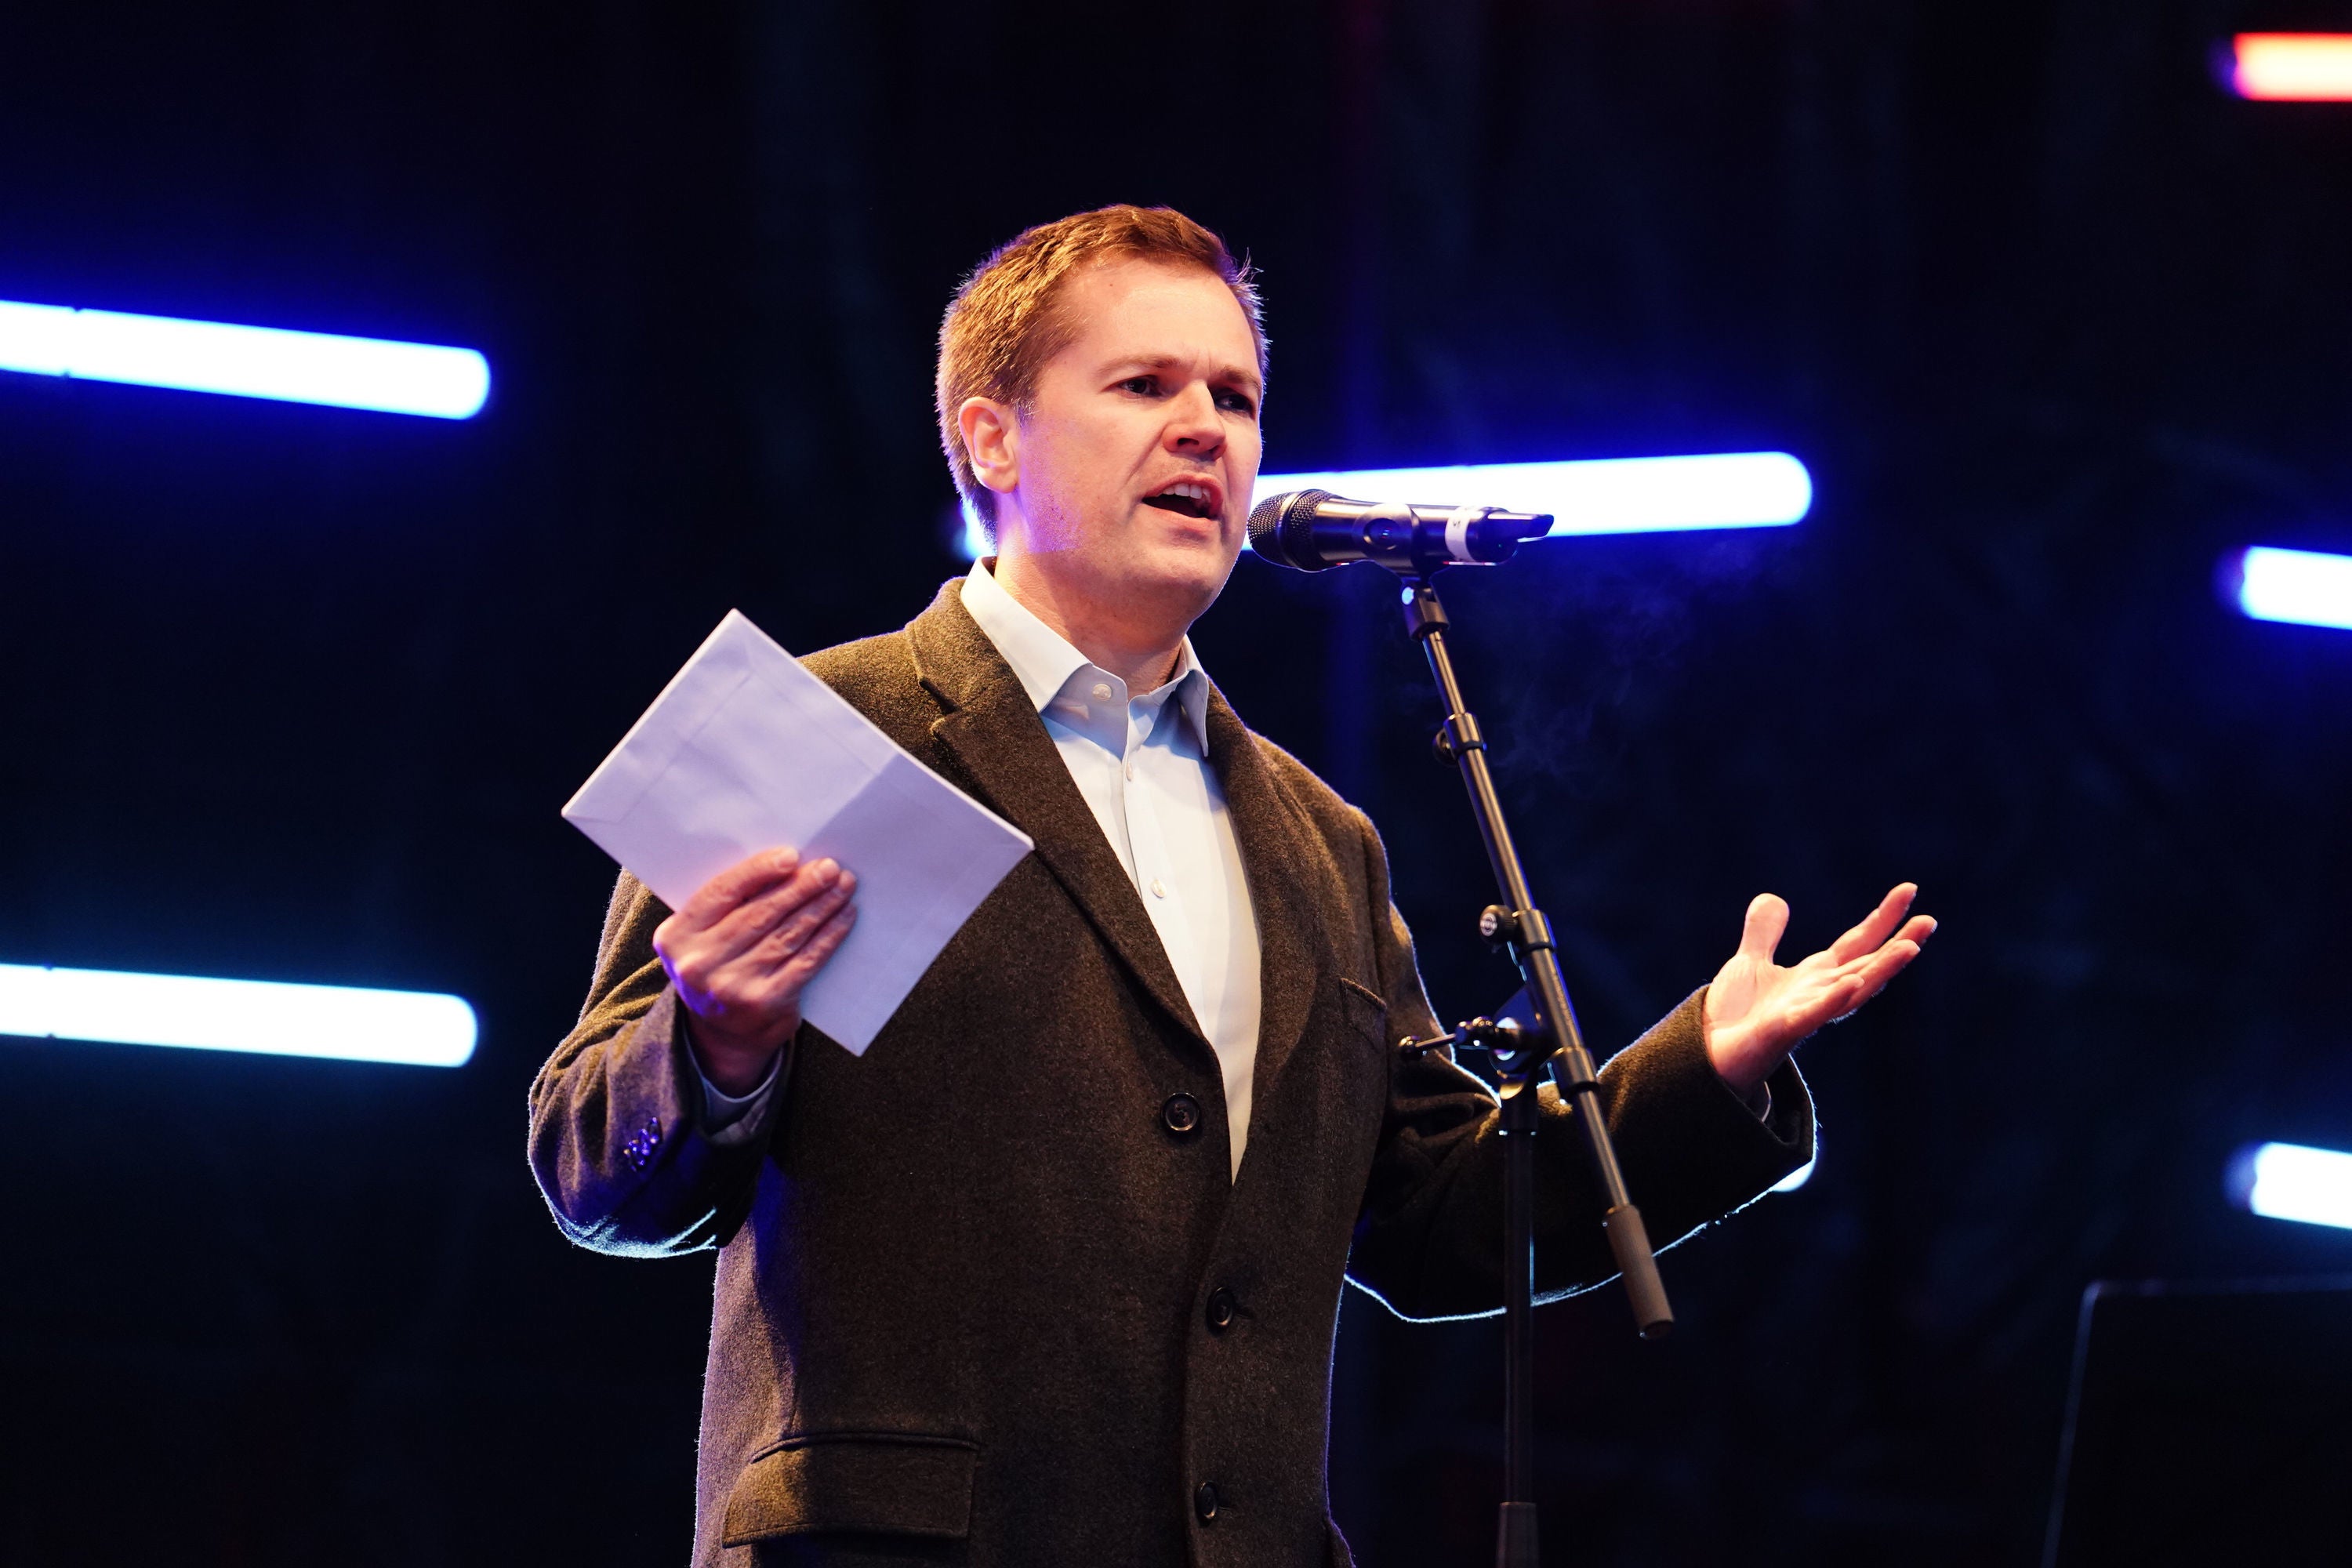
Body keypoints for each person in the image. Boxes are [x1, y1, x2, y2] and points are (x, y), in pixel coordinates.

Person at [528, 205, 1933, 1568]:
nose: (1207, 427)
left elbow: (1442, 1219)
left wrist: (1708, 1067)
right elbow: (593, 1170)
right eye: (1144, 383)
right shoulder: (835, 732)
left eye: (1237, 396)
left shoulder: (1319, 838)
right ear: (989, 435)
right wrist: (708, 1040)